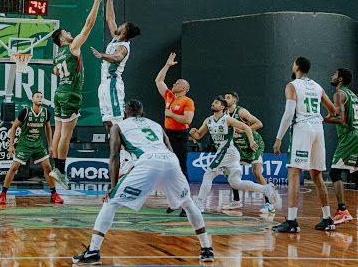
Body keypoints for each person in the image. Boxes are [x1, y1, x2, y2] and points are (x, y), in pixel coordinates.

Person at [72, 100, 214, 264]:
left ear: (125, 113)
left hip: (148, 162)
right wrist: (172, 187)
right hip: (170, 161)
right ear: (142, 112)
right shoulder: (155, 125)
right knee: (188, 203)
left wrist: (113, 187)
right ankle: (207, 249)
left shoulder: (118, 126)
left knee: (111, 202)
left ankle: (93, 252)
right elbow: (170, 150)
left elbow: (114, 157)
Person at [49, 0, 105, 189]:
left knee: (57, 132)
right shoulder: (72, 47)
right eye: (66, 32)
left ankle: (56, 168)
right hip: (71, 94)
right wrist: (97, 2)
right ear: (62, 39)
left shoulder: (57, 56)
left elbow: (55, 72)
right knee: (66, 134)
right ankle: (61, 171)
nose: (70, 33)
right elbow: (88, 25)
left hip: (59, 94)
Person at [273, 57, 337, 233]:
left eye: (293, 62)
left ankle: (292, 221)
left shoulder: (292, 85)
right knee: (317, 175)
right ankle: (327, 218)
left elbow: (288, 113)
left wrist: (279, 138)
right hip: (318, 130)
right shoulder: (318, 86)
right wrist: (319, 119)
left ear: (297, 67)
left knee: (294, 173)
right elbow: (333, 111)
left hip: (302, 130)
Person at [191, 96, 278, 213]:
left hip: (227, 152)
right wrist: (193, 133)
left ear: (222, 107)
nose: (213, 104)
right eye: (213, 102)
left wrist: (251, 141)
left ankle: (199, 203)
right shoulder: (208, 120)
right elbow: (199, 136)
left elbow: (246, 127)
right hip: (230, 153)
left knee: (208, 175)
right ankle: (265, 189)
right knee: (235, 183)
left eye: (216, 103)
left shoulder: (227, 119)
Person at [0, 91, 63, 205]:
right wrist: (11, 145)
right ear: (32, 99)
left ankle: (54, 194)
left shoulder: (46, 112)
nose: (40, 98)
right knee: (14, 167)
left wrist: (50, 145)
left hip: (38, 145)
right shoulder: (26, 111)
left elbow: (48, 128)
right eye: (37, 96)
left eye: (41, 97)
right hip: (24, 144)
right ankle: (3, 194)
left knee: (48, 167)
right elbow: (14, 127)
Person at [90, 0, 141, 132]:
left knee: (117, 121)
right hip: (104, 84)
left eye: (122, 25)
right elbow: (110, 18)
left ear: (124, 31)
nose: (119, 25)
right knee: (107, 121)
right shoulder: (116, 38)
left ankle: (123, 151)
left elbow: (117, 57)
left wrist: (102, 55)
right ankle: (114, 149)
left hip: (113, 83)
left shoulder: (123, 47)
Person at [223, 92, 274, 214]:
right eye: (224, 97)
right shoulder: (224, 114)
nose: (225, 99)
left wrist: (244, 130)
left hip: (254, 144)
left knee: (256, 172)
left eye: (228, 97)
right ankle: (236, 201)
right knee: (228, 171)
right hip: (239, 146)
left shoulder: (241, 112)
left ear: (234, 101)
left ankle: (269, 204)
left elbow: (259, 123)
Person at [323, 68, 358, 225]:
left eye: (335, 74)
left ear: (341, 79)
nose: (332, 75)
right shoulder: (352, 94)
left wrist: (323, 119)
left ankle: (343, 210)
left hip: (350, 136)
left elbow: (341, 119)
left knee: (335, 173)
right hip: (355, 133)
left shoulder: (339, 94)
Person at [155, 52, 194, 180]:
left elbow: (188, 120)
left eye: (177, 84)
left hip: (180, 135)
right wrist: (167, 65)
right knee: (165, 161)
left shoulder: (187, 101)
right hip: (167, 133)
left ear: (183, 88)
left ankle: (185, 187)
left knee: (180, 162)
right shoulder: (169, 96)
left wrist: (171, 114)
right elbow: (159, 80)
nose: (173, 84)